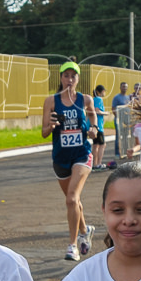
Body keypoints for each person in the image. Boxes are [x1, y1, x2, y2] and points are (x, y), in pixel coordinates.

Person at [42, 61, 98, 262]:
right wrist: (51, 124)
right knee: (73, 201)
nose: (70, 79)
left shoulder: (86, 100)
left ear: (78, 79)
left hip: (82, 155)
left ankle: (72, 246)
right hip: (60, 158)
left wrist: (94, 129)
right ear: (61, 78)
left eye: (73, 76)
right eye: (66, 75)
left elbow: (94, 122)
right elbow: (43, 133)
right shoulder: (51, 101)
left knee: (72, 199)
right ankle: (85, 229)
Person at [111, 82, 131, 158]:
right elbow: (113, 109)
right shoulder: (116, 97)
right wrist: (119, 118)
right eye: (123, 86)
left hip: (126, 120)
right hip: (118, 120)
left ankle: (125, 152)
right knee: (118, 136)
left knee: (125, 136)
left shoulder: (128, 97)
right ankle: (117, 153)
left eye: (126, 87)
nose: (124, 88)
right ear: (120, 87)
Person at [92, 85, 108, 171]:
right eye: (103, 91)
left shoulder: (93, 99)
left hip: (94, 125)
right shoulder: (98, 99)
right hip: (98, 126)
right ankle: (98, 163)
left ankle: (94, 163)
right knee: (102, 144)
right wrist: (106, 113)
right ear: (99, 92)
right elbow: (97, 111)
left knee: (95, 145)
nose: (104, 93)